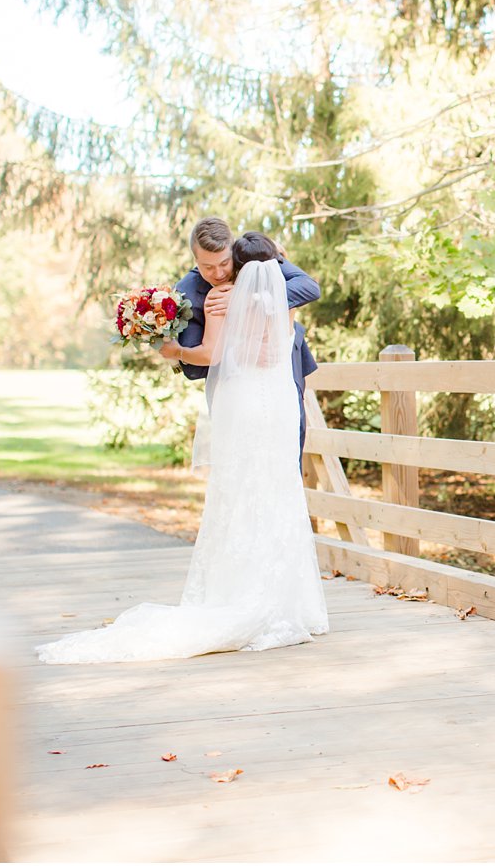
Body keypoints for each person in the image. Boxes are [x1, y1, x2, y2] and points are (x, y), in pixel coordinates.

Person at [35, 235, 330, 663]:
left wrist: (172, 350)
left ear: (238, 266)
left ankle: (238, 593)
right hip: (280, 403)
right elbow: (273, 347)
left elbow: (210, 356)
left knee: (240, 493)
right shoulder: (281, 303)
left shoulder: (220, 303)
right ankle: (293, 604)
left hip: (245, 404)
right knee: (280, 492)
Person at [157, 218, 320, 454]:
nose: (219, 273)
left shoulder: (255, 255)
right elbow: (194, 369)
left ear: (232, 248)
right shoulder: (187, 292)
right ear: (195, 261)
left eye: (224, 262)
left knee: (291, 443)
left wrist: (245, 297)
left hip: (285, 368)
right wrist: (242, 353)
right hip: (239, 387)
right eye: (208, 267)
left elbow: (309, 288)